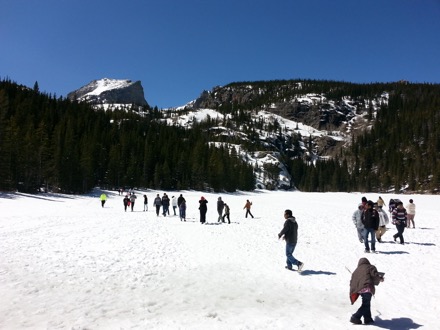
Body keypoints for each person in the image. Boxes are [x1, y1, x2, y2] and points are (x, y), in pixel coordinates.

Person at [349, 258, 384, 325]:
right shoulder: (370, 267)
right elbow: (375, 275)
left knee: (366, 303)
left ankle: (368, 319)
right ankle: (355, 317)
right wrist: (380, 279)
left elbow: (352, 282)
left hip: (360, 290)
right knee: (366, 304)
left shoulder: (356, 271)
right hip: (367, 287)